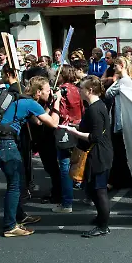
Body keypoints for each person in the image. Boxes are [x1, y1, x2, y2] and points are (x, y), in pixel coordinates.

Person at [0, 70, 60, 237]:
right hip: (5, 142)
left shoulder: (22, 99)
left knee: (18, 181)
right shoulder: (31, 103)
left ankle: (19, 216)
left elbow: (37, 121)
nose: (50, 92)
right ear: (38, 92)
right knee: (15, 184)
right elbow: (53, 123)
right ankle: (9, 226)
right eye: (47, 90)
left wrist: (48, 105)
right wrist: (56, 102)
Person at [61, 75, 114, 237]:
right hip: (99, 152)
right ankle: (100, 218)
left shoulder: (94, 109)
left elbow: (95, 137)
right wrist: (76, 126)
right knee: (93, 188)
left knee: (99, 190)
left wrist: (74, 132)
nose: (79, 91)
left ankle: (103, 226)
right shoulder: (97, 106)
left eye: (81, 89)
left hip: (98, 154)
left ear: (90, 90)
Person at [51, 65, 84, 212]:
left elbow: (61, 112)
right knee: (81, 162)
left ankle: (67, 203)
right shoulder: (77, 89)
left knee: (65, 166)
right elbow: (82, 108)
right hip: (78, 126)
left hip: (65, 128)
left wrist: (55, 100)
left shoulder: (61, 90)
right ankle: (90, 197)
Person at [105, 57, 132, 190]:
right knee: (122, 151)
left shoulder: (124, 81)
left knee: (119, 151)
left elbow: (108, 93)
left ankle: (116, 180)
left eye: (115, 66)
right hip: (122, 118)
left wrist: (116, 80)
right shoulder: (129, 81)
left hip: (121, 120)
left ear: (122, 65)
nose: (114, 68)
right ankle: (124, 179)